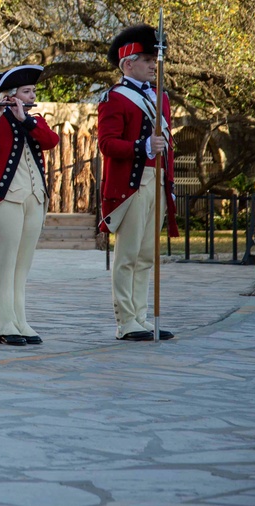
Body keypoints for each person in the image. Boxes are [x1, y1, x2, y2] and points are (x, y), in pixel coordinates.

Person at [0, 65, 60, 346]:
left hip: (34, 198)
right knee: (5, 265)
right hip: (3, 201)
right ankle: (5, 324)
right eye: (26, 91)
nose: (32, 96)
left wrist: (25, 119)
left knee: (22, 265)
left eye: (32, 91)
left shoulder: (35, 121)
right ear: (10, 95)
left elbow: (51, 141)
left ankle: (20, 320)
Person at [98, 25, 178, 341]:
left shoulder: (161, 98)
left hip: (156, 180)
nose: (151, 64)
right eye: (146, 58)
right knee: (128, 255)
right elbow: (107, 144)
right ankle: (125, 320)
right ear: (127, 63)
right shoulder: (115, 98)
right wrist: (142, 147)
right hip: (132, 184)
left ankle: (142, 316)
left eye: (153, 59)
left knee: (147, 256)